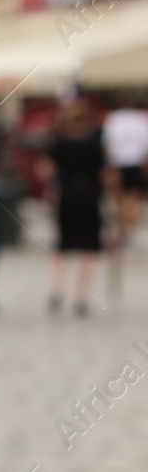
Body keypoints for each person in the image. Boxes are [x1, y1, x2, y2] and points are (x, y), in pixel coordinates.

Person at [41, 103, 111, 317]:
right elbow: (106, 174)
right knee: (88, 248)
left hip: (68, 196)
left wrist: (51, 189)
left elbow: (45, 171)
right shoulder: (95, 144)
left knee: (63, 245)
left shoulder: (59, 144)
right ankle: (80, 296)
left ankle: (56, 289)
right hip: (89, 196)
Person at [103, 97, 148, 248]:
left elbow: (108, 141)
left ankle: (124, 225)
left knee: (120, 195)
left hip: (118, 160)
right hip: (135, 160)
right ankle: (129, 225)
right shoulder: (140, 118)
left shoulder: (114, 118)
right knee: (133, 194)